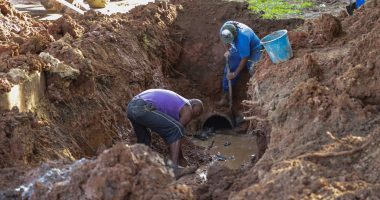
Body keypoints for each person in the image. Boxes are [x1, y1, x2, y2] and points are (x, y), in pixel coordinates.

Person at [127, 89, 203, 178]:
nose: (193, 117)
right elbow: (176, 132)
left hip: (131, 107)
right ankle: (174, 170)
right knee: (176, 128)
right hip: (142, 107)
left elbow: (171, 135)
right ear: (193, 105)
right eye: (196, 113)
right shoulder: (188, 108)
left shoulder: (177, 103)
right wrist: (181, 158)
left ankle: (139, 167)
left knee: (144, 141)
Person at [217, 21, 263, 106]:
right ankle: (225, 96)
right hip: (237, 47)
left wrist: (235, 73)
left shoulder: (243, 37)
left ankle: (258, 98)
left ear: (235, 34)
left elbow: (244, 58)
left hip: (254, 49)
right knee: (229, 69)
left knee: (255, 70)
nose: (228, 42)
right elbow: (224, 41)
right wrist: (227, 51)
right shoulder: (224, 29)